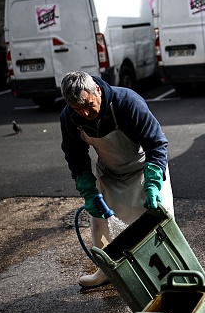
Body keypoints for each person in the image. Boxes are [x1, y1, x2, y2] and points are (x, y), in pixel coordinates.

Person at [60, 71, 174, 288]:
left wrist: (152, 183)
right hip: (110, 172)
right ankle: (106, 269)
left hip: (145, 168)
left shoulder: (127, 103)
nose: (84, 113)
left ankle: (168, 272)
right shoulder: (69, 117)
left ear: (98, 91)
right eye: (77, 109)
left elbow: (156, 143)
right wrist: (88, 190)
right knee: (99, 222)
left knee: (160, 219)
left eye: (88, 105)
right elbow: (75, 156)